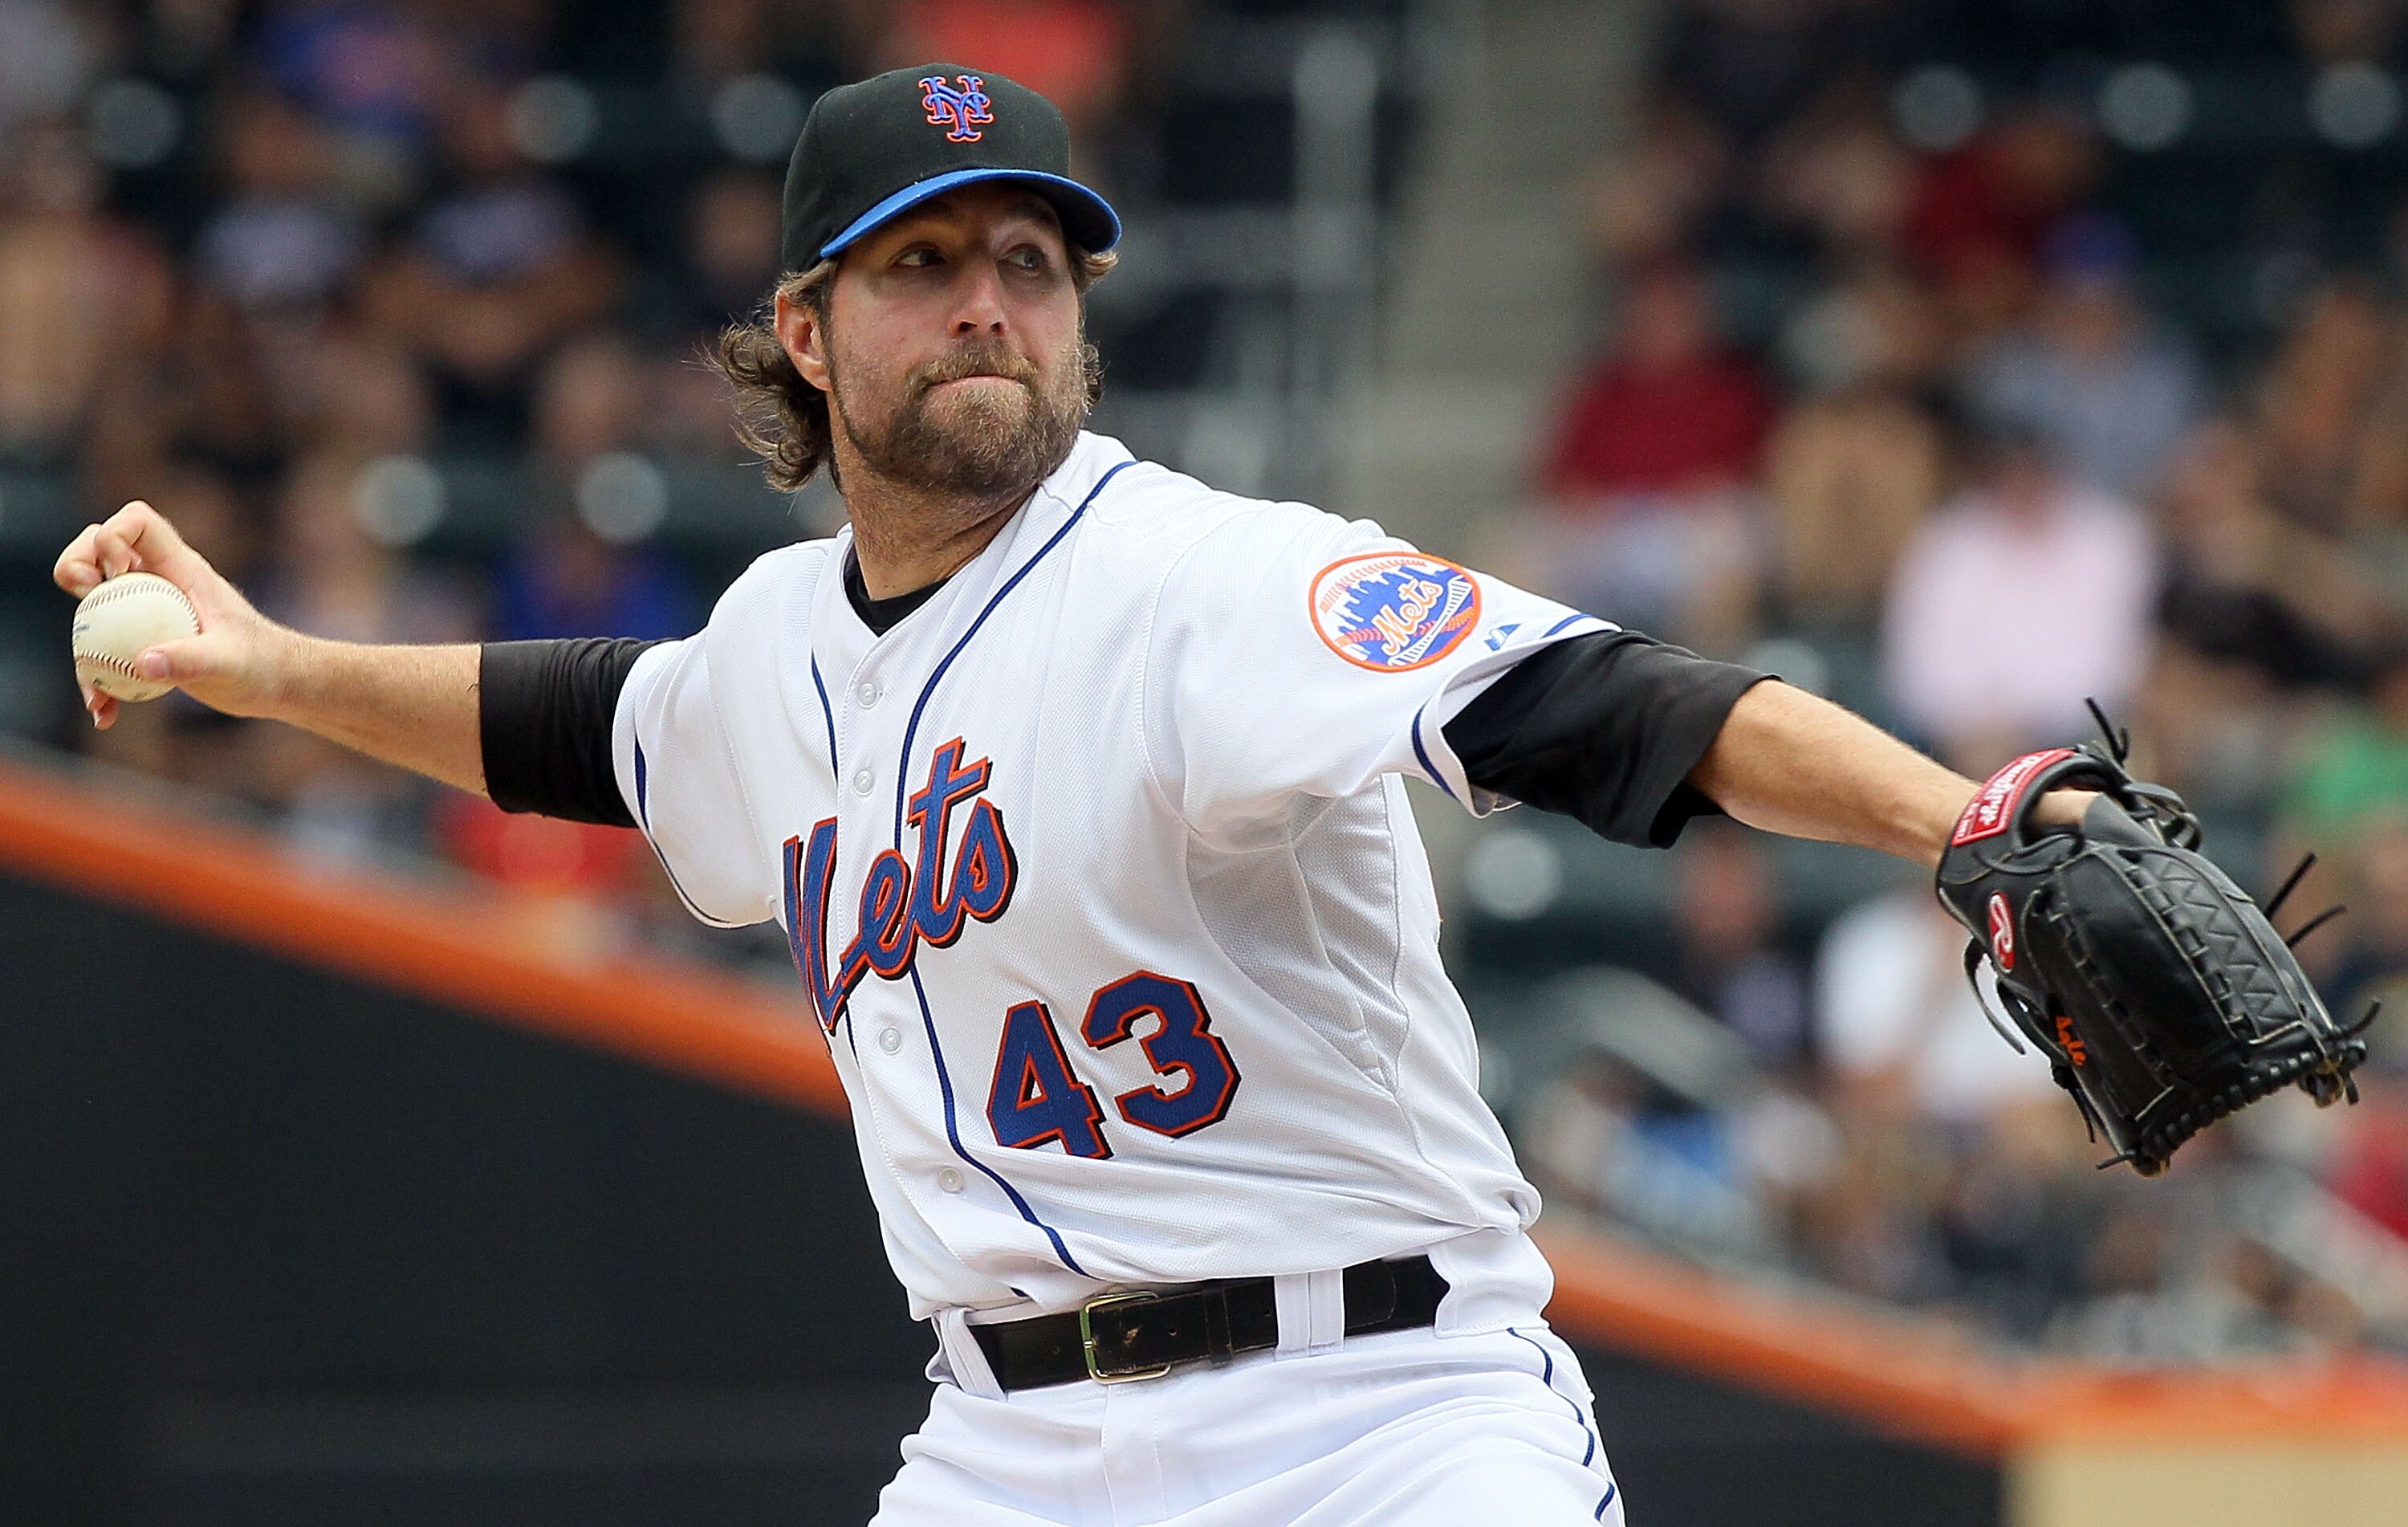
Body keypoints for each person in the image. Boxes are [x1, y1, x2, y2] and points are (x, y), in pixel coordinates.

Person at [54, 64, 2086, 1527]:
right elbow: (589, 725)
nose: (986, 304)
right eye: (921, 261)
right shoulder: (778, 645)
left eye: (1029, 260)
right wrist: (265, 668)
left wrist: (1962, 822)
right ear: (802, 332)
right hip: (1006, 1447)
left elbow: (1615, 703)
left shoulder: (1206, 581)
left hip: (1380, 1416)